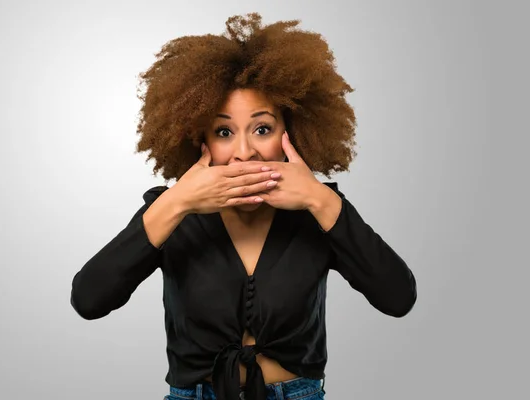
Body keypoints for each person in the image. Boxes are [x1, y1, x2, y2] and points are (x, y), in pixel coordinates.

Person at [70, 12, 417, 400]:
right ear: (197, 138)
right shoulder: (171, 212)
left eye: (263, 129)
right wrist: (179, 200)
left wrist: (321, 198)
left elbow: (398, 298)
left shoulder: (317, 210)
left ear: (293, 132)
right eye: (223, 132)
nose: (244, 152)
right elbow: (88, 299)